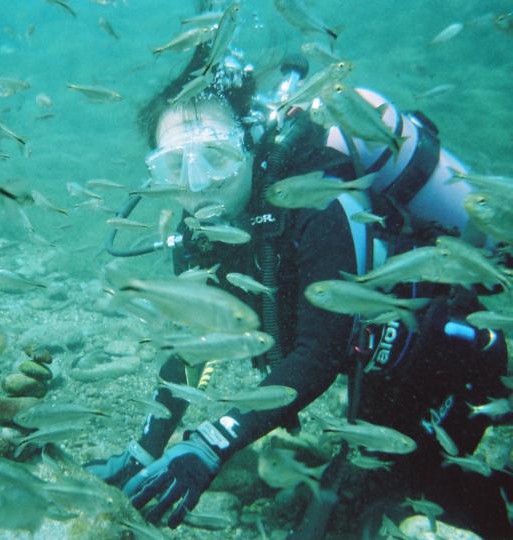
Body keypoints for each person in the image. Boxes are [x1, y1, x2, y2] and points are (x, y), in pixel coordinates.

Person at [86, 21, 513, 539]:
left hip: (437, 359)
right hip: (368, 374)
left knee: (391, 508)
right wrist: (144, 449)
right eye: (174, 166)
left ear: (250, 143)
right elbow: (197, 343)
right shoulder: (200, 231)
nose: (196, 184)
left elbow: (319, 351)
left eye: (215, 157)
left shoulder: (314, 201)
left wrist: (211, 444)